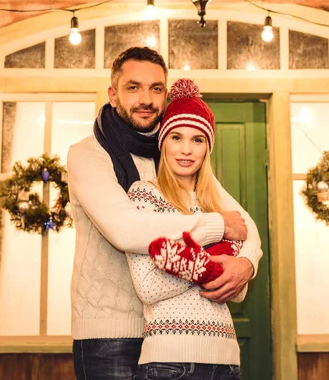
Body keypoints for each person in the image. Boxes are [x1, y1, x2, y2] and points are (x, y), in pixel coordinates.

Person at [67, 47, 262, 380]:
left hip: (172, 333)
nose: (146, 98)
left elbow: (243, 223)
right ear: (113, 95)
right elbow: (126, 229)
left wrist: (246, 264)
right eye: (133, 87)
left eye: (156, 88)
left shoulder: (175, 154)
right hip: (109, 330)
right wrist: (216, 228)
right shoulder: (89, 154)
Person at [127, 78, 244, 380]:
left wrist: (191, 264)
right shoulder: (144, 195)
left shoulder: (217, 205)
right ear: (162, 142)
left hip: (226, 357)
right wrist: (212, 268)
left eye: (197, 140)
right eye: (176, 137)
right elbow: (148, 287)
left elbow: (239, 290)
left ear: (208, 148)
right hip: (169, 359)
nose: (186, 150)